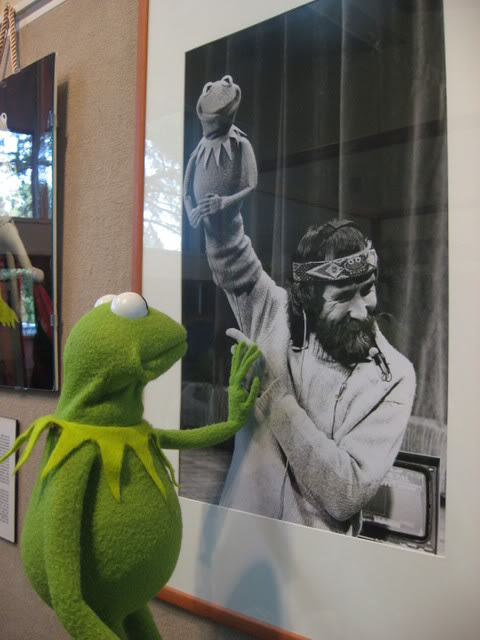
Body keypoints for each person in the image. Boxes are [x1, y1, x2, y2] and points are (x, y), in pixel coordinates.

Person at [189, 203, 416, 535]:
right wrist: (219, 212)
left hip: (314, 560)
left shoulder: (394, 377)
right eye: (343, 296)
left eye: (367, 289)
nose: (361, 310)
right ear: (308, 299)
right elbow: (231, 254)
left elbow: (346, 493)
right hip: (237, 539)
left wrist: (272, 394)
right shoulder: (272, 313)